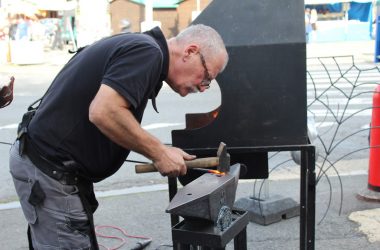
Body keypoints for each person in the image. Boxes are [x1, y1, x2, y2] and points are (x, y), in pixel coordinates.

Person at [9, 24, 228, 249]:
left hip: (49, 168)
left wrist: (161, 152)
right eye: (207, 77)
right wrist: (159, 152)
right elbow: (104, 111)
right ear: (190, 52)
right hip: (49, 172)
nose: (203, 88)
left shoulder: (141, 47)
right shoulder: (147, 53)